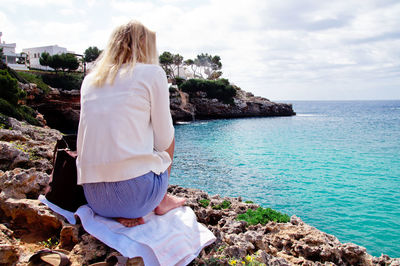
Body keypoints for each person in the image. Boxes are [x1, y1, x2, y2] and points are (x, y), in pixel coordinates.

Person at [76, 20, 185, 227]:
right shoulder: (153, 74)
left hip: (95, 199)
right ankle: (161, 200)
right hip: (136, 200)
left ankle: (120, 207)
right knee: (169, 138)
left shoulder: (90, 80)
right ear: (143, 43)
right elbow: (163, 141)